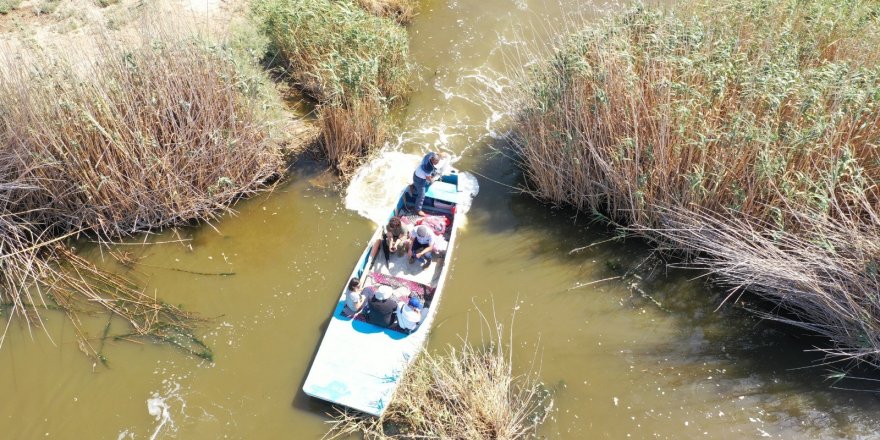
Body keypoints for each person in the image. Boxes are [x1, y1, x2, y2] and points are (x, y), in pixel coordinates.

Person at [411, 152, 442, 216]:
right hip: (420, 181)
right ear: (434, 160)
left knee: (432, 174)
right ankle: (418, 210)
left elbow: (435, 153)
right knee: (422, 195)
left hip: (415, 175)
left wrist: (440, 154)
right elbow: (428, 178)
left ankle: (413, 186)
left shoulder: (429, 156)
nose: (438, 162)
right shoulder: (428, 168)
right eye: (437, 161)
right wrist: (432, 181)